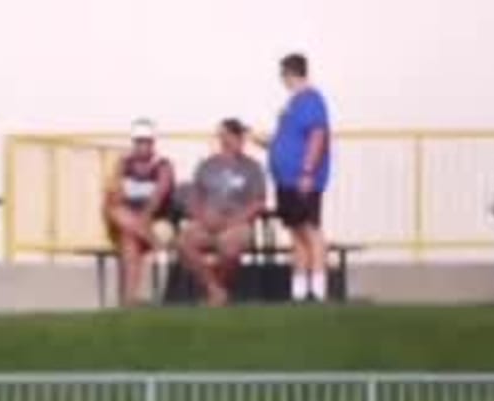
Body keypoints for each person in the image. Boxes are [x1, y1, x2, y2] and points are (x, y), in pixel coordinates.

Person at [254, 53, 335, 303]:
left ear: (291, 73)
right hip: (285, 180)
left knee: (311, 229)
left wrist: (307, 171)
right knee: (295, 231)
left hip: (303, 179)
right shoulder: (292, 104)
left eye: (284, 75)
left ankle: (319, 286)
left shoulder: (312, 100)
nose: (283, 80)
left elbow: (317, 136)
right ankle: (299, 287)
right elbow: (285, 139)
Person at [175, 121, 268, 309]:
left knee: (230, 247)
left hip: (237, 223)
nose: (234, 139)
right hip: (207, 222)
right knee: (183, 242)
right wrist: (202, 217)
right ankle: (215, 289)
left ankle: (217, 291)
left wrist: (233, 221)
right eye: (229, 135)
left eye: (237, 135)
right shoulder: (207, 165)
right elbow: (195, 197)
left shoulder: (252, 168)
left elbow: (258, 202)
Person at [100, 120, 176, 308]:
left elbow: (158, 197)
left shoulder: (163, 166)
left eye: (146, 141)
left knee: (129, 235)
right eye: (138, 141)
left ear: (152, 143)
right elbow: (113, 194)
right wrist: (138, 225)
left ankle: (127, 299)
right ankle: (130, 300)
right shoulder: (124, 163)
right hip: (134, 223)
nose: (142, 146)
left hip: (158, 223)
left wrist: (142, 220)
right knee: (116, 216)